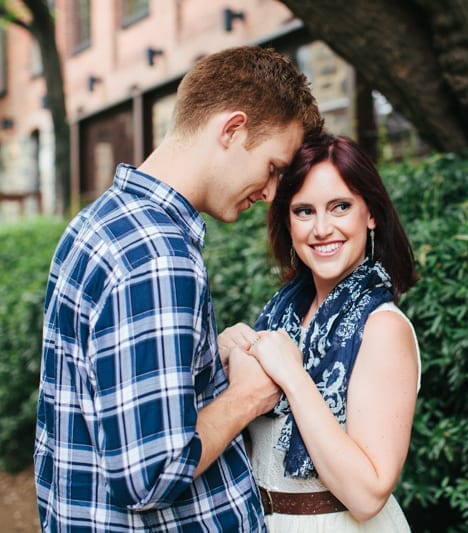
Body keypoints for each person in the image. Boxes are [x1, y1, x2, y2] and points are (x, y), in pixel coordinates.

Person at [34, 45, 323, 532]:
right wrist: (248, 396)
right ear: (232, 130)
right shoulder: (157, 256)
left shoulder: (99, 222)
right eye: (273, 168)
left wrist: (211, 361)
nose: (272, 192)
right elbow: (150, 476)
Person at [219, 134, 420, 531]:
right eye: (304, 211)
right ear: (287, 222)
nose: (322, 228)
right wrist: (224, 359)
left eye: (340, 207)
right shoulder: (281, 317)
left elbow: (367, 495)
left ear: (371, 214)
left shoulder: (382, 328)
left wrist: (292, 376)